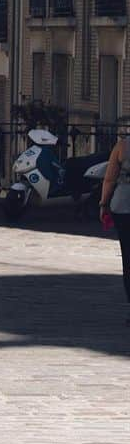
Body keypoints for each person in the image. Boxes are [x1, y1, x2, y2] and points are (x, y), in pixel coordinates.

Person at [100, 134, 130, 323]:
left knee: (128, 256)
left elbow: (110, 179)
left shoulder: (123, 146)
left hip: (124, 204)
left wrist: (103, 204)